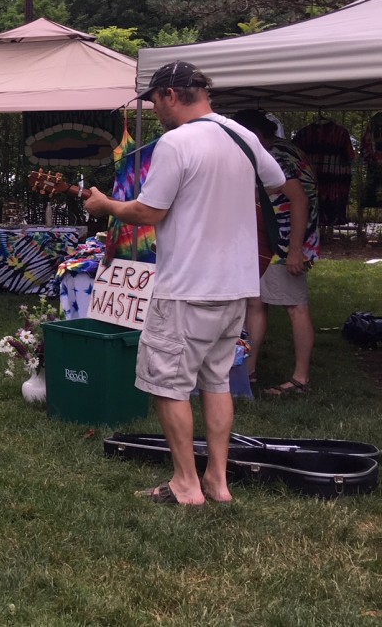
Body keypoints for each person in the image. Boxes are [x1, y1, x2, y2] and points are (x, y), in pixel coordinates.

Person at [84, 61, 286, 506]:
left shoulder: (176, 143)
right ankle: (217, 481)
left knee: (167, 385)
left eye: (155, 100)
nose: (155, 109)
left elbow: (148, 211)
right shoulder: (242, 135)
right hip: (236, 285)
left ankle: (186, 484)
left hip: (187, 287)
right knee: (216, 381)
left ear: (172, 95)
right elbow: (276, 183)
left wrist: (107, 206)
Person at [232, 109, 320, 396]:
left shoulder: (277, 157)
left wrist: (295, 250)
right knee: (256, 302)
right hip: (273, 239)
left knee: (295, 307)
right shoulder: (281, 148)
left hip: (287, 242)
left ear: (255, 134)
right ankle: (249, 370)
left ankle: (300, 379)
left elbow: (299, 200)